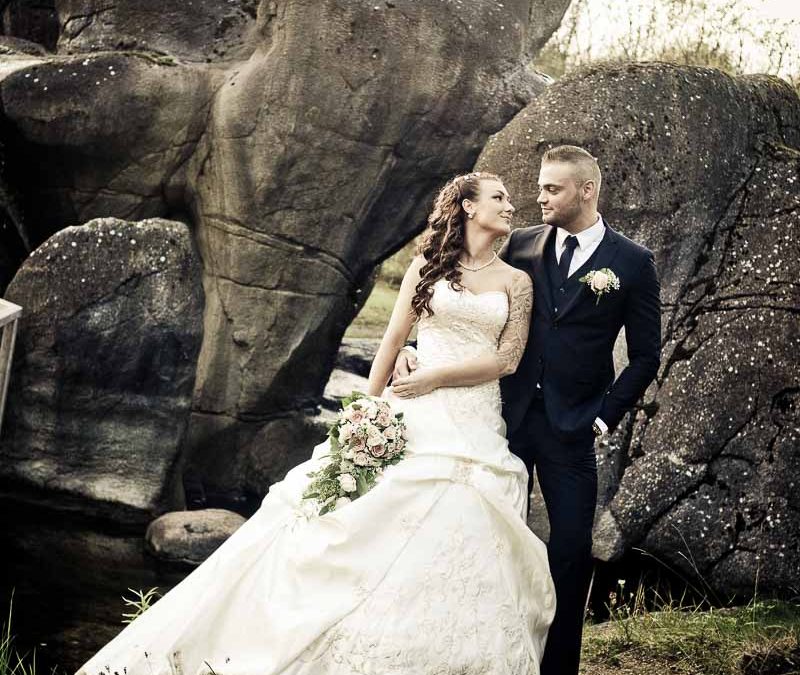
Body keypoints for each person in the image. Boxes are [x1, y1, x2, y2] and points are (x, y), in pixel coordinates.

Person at [75, 172, 556, 675]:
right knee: (349, 521)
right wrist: (366, 413)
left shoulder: (515, 281)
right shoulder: (426, 268)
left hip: (472, 418)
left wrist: (434, 376)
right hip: (412, 411)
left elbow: (507, 359)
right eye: (498, 198)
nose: (510, 205)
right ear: (466, 208)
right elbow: (391, 343)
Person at [395, 145, 662, 675]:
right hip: (502, 420)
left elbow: (646, 356)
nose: (538, 196)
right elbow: (461, 292)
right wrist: (413, 344)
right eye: (539, 186)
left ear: (586, 191)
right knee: (492, 545)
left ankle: (558, 667)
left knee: (569, 551)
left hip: (573, 429)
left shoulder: (632, 262)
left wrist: (605, 415)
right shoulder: (519, 246)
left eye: (551, 188)